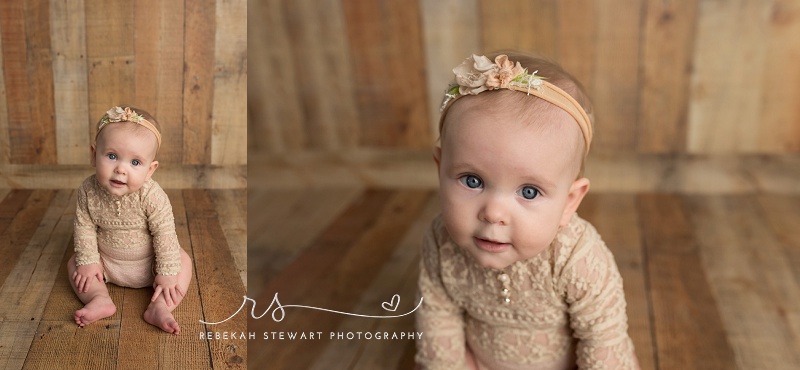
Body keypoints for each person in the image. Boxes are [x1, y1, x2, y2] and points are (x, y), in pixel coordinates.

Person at [415, 52, 640, 369]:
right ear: (440, 170)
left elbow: (602, 341)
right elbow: (437, 322)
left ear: (569, 202)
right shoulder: (440, 244)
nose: (493, 214)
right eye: (472, 180)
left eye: (529, 191)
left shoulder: (577, 258)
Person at [67, 106, 193, 335]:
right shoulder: (88, 190)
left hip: (150, 265)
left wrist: (166, 271)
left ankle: (160, 306)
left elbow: (165, 233)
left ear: (150, 170)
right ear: (94, 155)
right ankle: (99, 298)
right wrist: (89, 260)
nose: (121, 169)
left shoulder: (151, 195)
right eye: (112, 156)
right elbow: (83, 225)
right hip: (105, 264)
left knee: (182, 263)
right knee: (75, 263)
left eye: (135, 162)